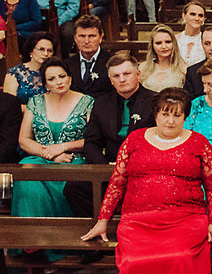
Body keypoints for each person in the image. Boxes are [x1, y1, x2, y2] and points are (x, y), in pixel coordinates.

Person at [80, 88, 212, 274]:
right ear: (155, 114)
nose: (170, 121)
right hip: (138, 221)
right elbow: (118, 181)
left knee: (178, 259)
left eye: (177, 115)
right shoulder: (133, 140)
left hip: (186, 219)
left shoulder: (199, 143)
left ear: (185, 117)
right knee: (133, 263)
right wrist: (103, 219)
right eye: (165, 114)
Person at [64, 52, 157, 217]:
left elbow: (161, 140)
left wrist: (133, 166)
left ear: (138, 74)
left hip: (144, 169)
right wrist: (104, 168)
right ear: (111, 80)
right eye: (116, 76)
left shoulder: (155, 101)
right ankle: (104, 225)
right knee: (73, 188)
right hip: (109, 169)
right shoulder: (101, 103)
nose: (122, 79)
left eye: (126, 74)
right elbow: (92, 142)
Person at [13, 59, 95, 240]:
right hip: (40, 159)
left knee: (70, 186)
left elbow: (93, 139)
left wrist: (63, 147)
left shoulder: (87, 102)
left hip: (74, 160)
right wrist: (48, 154)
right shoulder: (35, 102)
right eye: (51, 79)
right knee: (27, 178)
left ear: (70, 78)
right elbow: (24, 140)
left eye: (62, 76)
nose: (58, 82)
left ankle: (62, 241)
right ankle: (32, 242)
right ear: (45, 83)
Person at [63, 14, 111, 97]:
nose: (86, 41)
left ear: (100, 38)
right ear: (75, 39)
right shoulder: (67, 64)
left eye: (91, 36)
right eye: (82, 36)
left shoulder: (112, 62)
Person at [4, 32, 55, 102]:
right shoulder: (15, 72)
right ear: (31, 51)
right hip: (20, 112)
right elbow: (8, 104)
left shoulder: (55, 73)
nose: (46, 54)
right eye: (41, 49)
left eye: (49, 51)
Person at [139, 24, 187, 93]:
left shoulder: (183, 69)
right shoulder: (143, 68)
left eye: (168, 42)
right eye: (158, 43)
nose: (164, 46)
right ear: (152, 46)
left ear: (174, 44)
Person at [177, 0, 206, 65]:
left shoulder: (207, 40)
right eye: (193, 14)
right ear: (184, 16)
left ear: (204, 19)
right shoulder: (175, 39)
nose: (196, 18)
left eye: (200, 15)